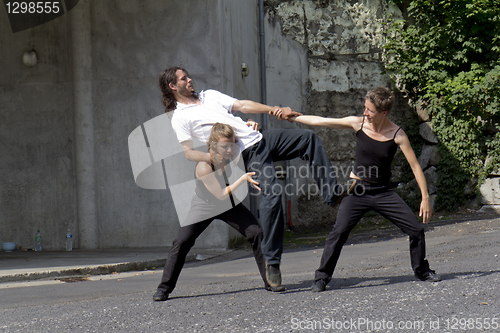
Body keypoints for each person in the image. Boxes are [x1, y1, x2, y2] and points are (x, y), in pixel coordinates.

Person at [158, 66, 341, 288]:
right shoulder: (180, 117)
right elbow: (188, 152)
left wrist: (276, 109)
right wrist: (212, 156)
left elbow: (243, 105)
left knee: (308, 138)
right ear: (173, 86)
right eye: (183, 78)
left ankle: (331, 194)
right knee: (273, 194)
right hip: (247, 153)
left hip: (261, 139)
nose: (189, 79)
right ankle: (272, 262)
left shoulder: (210, 96)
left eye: (188, 76)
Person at [272, 87, 441, 292]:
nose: (365, 113)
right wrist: (295, 116)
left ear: (384, 113)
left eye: (370, 110)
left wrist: (425, 198)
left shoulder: (397, 134)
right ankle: (322, 277)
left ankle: (421, 270)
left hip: (383, 192)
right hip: (357, 191)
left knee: (416, 229)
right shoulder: (358, 123)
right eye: (365, 108)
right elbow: (323, 121)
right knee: (339, 232)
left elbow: (415, 166)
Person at [153, 123, 286, 302]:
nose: (230, 150)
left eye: (232, 145)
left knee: (256, 232)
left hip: (228, 204)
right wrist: (243, 179)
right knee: (182, 241)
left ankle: (271, 282)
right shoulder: (204, 166)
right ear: (213, 145)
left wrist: (250, 123)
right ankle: (164, 289)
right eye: (225, 146)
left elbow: (247, 137)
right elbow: (221, 194)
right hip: (205, 205)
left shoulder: (230, 152)